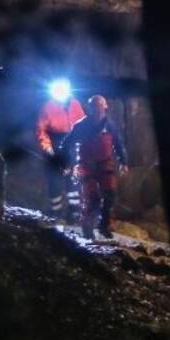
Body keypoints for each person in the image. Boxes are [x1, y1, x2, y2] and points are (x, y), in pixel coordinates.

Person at [60, 95, 128, 240]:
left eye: (99, 106)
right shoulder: (81, 125)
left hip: (105, 164)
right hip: (85, 166)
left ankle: (104, 225)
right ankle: (87, 228)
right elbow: (66, 144)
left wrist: (124, 162)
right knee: (92, 199)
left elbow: (118, 144)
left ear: (105, 106)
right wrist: (65, 162)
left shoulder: (110, 125)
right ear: (90, 108)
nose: (97, 109)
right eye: (94, 106)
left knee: (110, 195)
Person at [35, 80, 86, 221]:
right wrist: (47, 148)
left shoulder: (75, 105)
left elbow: (83, 126)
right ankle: (56, 211)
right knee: (55, 180)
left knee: (73, 179)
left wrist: (82, 146)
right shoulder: (48, 107)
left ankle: (74, 212)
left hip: (71, 145)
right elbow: (41, 130)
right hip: (55, 145)